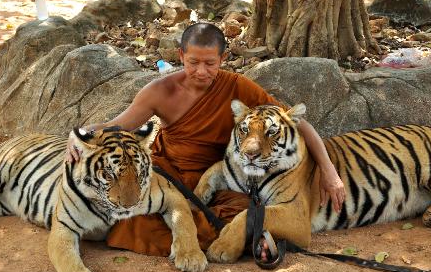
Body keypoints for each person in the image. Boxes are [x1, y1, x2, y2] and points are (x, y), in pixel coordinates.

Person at [66, 23, 345, 259]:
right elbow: (116, 125)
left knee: (251, 213)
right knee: (138, 214)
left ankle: (232, 237)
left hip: (221, 177)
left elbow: (297, 123)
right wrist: (78, 134)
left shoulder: (237, 86)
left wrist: (329, 172)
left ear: (222, 59)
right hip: (172, 173)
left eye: (210, 63)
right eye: (193, 63)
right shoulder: (160, 91)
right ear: (180, 56)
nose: (201, 71)